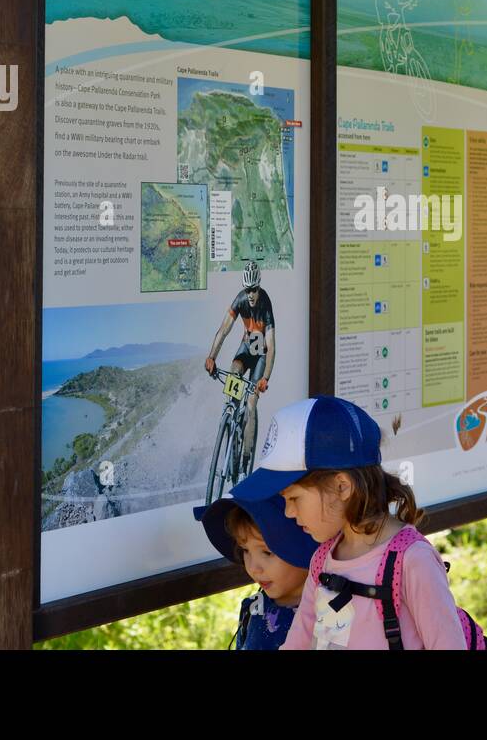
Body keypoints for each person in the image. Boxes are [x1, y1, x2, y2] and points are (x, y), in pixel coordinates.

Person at [230, 396, 468, 649]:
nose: (288, 512)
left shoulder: (412, 560)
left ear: (342, 486)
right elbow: (298, 641)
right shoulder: (322, 560)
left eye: (295, 498)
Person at [193, 493, 317, 649]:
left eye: (267, 552)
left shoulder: (328, 617)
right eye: (245, 550)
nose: (253, 568)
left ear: (307, 545)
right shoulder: (254, 607)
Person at [204, 260, 275, 470]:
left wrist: (266, 378)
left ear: (259, 287)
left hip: (261, 354)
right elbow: (223, 330)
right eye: (248, 290)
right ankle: (231, 416)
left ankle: (245, 458)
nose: (251, 294)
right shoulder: (240, 300)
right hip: (246, 348)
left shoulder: (266, 304)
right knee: (234, 372)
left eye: (254, 289)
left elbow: (271, 346)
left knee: (251, 403)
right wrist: (211, 357)